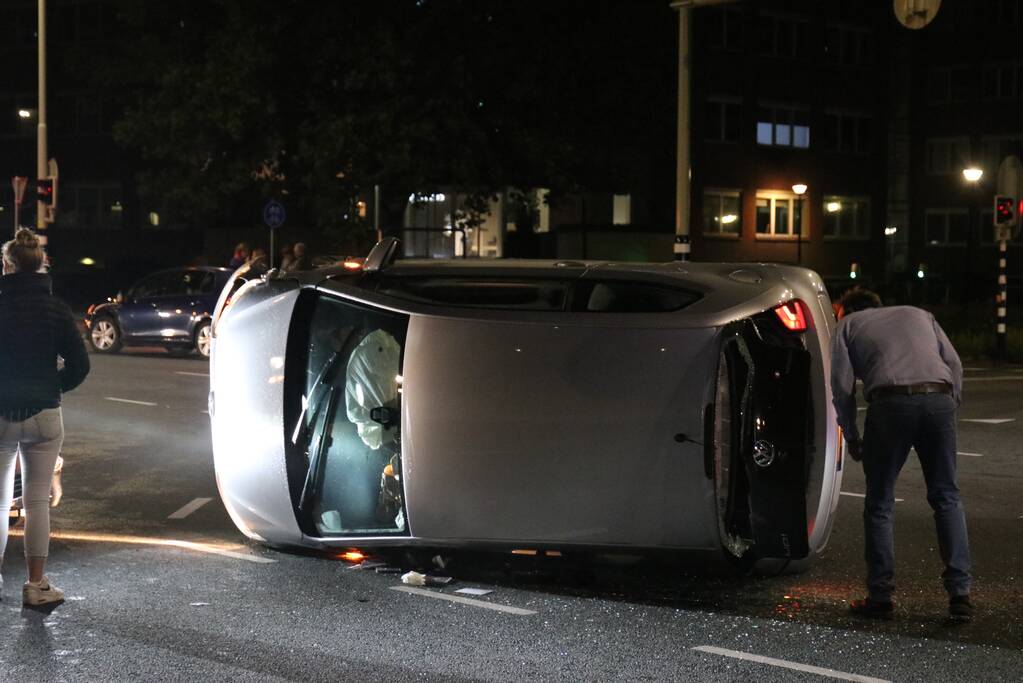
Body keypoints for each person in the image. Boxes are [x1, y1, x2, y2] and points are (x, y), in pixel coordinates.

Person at [830, 286, 972, 623]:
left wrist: (851, 435)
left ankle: (881, 596)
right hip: (938, 396)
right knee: (946, 496)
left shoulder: (847, 326)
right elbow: (954, 363)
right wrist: (951, 405)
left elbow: (841, 385)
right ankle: (960, 595)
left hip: (890, 403)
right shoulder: (920, 314)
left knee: (879, 503)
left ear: (845, 311)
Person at [0, 228, 90, 607]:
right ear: (42, 265)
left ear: (7, 265)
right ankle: (36, 587)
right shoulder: (56, 309)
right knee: (36, 501)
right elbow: (80, 365)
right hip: (44, 415)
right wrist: (53, 387)